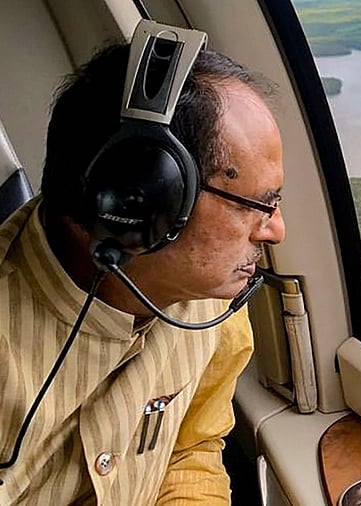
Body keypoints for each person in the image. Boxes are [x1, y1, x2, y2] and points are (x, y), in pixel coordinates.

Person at [0, 40, 285, 504]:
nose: (276, 231)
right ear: (140, 200)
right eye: (256, 205)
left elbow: (191, 448)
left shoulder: (214, 307)